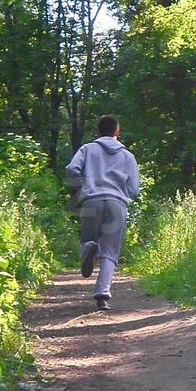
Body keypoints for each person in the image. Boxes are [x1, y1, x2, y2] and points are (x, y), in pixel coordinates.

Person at [63, 114, 141, 310]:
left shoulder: (87, 149)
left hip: (91, 201)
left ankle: (90, 248)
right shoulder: (127, 156)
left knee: (87, 240)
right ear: (117, 132)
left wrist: (82, 188)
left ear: (98, 131)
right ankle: (102, 295)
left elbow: (72, 169)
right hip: (116, 205)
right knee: (110, 251)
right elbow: (134, 190)